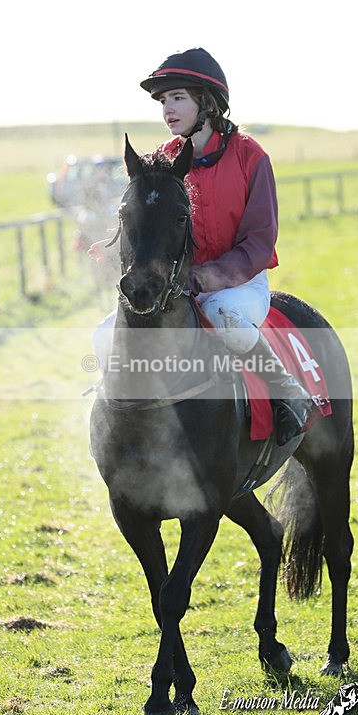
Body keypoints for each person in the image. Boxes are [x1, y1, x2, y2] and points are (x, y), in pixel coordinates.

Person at [90, 48, 311, 445]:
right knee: (103, 336)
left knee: (224, 318)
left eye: (177, 98)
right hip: (175, 284)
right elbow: (145, 225)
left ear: (207, 102)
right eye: (163, 101)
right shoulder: (162, 160)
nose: (167, 109)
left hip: (238, 284)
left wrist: (208, 275)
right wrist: (114, 249)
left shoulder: (251, 156)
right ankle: (117, 428)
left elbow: (260, 240)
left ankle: (288, 393)